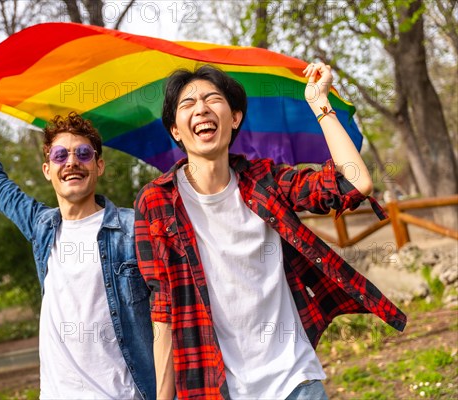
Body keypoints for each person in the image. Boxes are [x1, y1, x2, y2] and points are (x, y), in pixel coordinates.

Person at [133, 64, 407, 399]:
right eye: (187, 104)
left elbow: (356, 182)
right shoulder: (157, 201)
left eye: (212, 99)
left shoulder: (265, 181)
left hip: (294, 381)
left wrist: (320, 103)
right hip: (216, 388)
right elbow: (163, 312)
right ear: (175, 130)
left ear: (234, 118)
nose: (201, 108)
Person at [0, 82, 155, 400]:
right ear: (47, 169)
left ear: (98, 166)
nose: (71, 162)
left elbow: (173, 306)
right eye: (60, 155)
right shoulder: (43, 227)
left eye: (83, 153)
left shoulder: (133, 226)